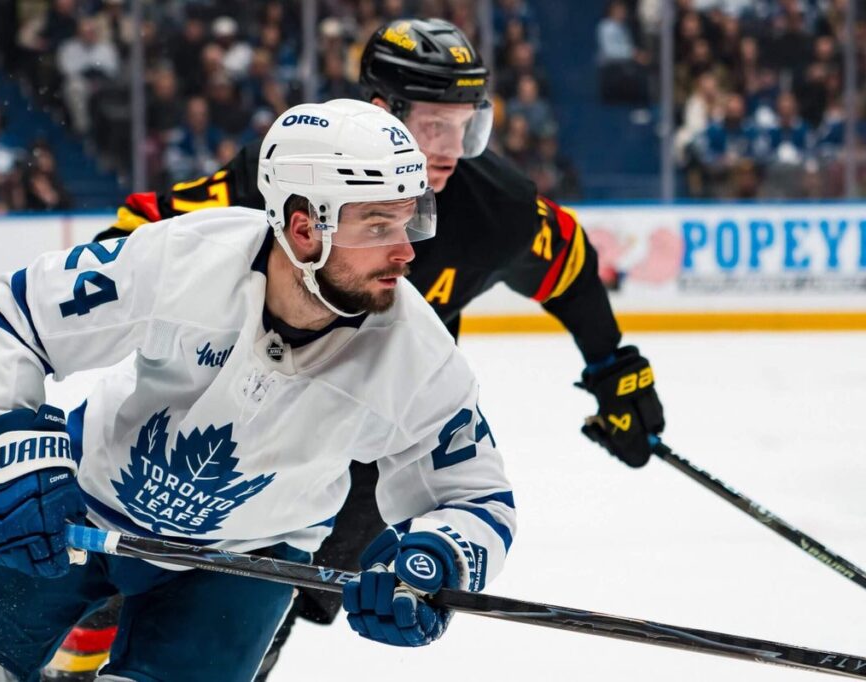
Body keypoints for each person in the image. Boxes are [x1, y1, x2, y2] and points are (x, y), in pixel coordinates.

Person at [50, 17, 665, 681]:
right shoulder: (300, 168)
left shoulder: (497, 206)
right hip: (252, 393)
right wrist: (106, 280)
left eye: (467, 127)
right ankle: (96, 626)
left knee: (286, 585)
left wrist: (612, 366)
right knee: (169, 533)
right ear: (383, 111)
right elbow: (154, 222)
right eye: (435, 125)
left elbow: (568, 263)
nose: (453, 150)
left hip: (378, 421)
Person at [0, 100, 516, 681]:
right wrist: (15, 457)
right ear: (303, 228)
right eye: (377, 226)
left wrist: (435, 560)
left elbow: (475, 494)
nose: (406, 252)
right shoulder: (186, 258)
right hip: (83, 505)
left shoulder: (418, 355)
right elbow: (19, 313)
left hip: (247, 562)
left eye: (409, 221)